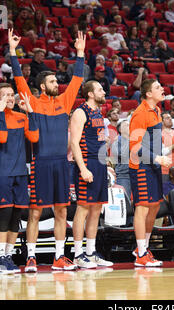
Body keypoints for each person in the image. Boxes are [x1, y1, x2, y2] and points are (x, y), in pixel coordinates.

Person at [9, 28, 86, 271]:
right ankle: (31, 256)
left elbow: (77, 80)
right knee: (35, 213)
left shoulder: (64, 101)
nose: (57, 83)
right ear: (42, 86)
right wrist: (12, 51)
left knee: (62, 211)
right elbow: (19, 79)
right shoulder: (32, 101)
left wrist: (81, 53)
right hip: (41, 162)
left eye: (56, 80)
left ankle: (59, 257)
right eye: (52, 81)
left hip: (61, 163)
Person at [0, 83, 39, 274]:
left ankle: (8, 256)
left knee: (17, 215)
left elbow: (33, 137)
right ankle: (0, 259)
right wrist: (0, 113)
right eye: (5, 95)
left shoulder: (21, 117)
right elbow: (1, 137)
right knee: (5, 212)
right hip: (1, 172)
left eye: (11, 94)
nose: (10, 98)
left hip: (20, 173)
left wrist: (30, 112)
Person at [70, 80, 113, 268]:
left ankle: (91, 252)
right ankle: (78, 254)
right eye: (100, 89)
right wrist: (83, 168)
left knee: (96, 209)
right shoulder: (80, 112)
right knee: (83, 208)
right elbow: (74, 143)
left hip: (100, 163)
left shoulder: (98, 112)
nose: (104, 91)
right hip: (87, 162)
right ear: (89, 94)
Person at [129, 79, 172, 267]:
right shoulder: (140, 114)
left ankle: (143, 248)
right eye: (157, 87)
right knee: (143, 207)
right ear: (148, 94)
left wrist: (160, 154)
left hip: (153, 164)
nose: (162, 89)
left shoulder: (157, 111)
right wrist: (157, 158)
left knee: (154, 207)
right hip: (140, 166)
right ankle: (141, 253)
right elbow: (135, 147)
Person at [110, 120, 131, 198]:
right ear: (121, 130)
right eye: (127, 125)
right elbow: (122, 155)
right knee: (125, 200)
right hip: (124, 175)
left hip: (137, 173)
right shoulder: (117, 142)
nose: (130, 126)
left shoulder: (137, 140)